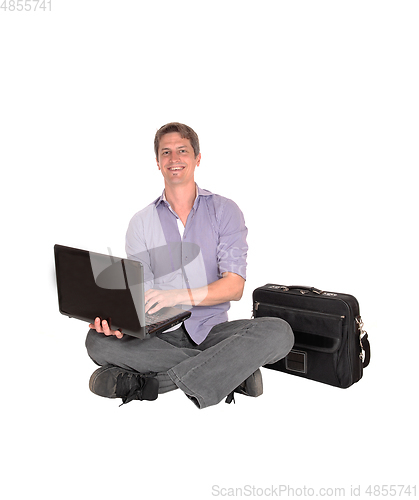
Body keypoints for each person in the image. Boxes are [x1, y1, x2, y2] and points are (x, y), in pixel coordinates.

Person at [85, 122, 294, 409]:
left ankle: (148, 382)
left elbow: (234, 287)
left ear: (197, 158)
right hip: (160, 335)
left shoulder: (225, 211)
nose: (174, 159)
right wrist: (119, 323)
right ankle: (232, 374)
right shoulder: (141, 222)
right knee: (97, 342)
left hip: (213, 334)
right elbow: (138, 294)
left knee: (279, 332)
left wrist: (177, 296)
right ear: (157, 163)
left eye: (182, 150)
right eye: (166, 152)